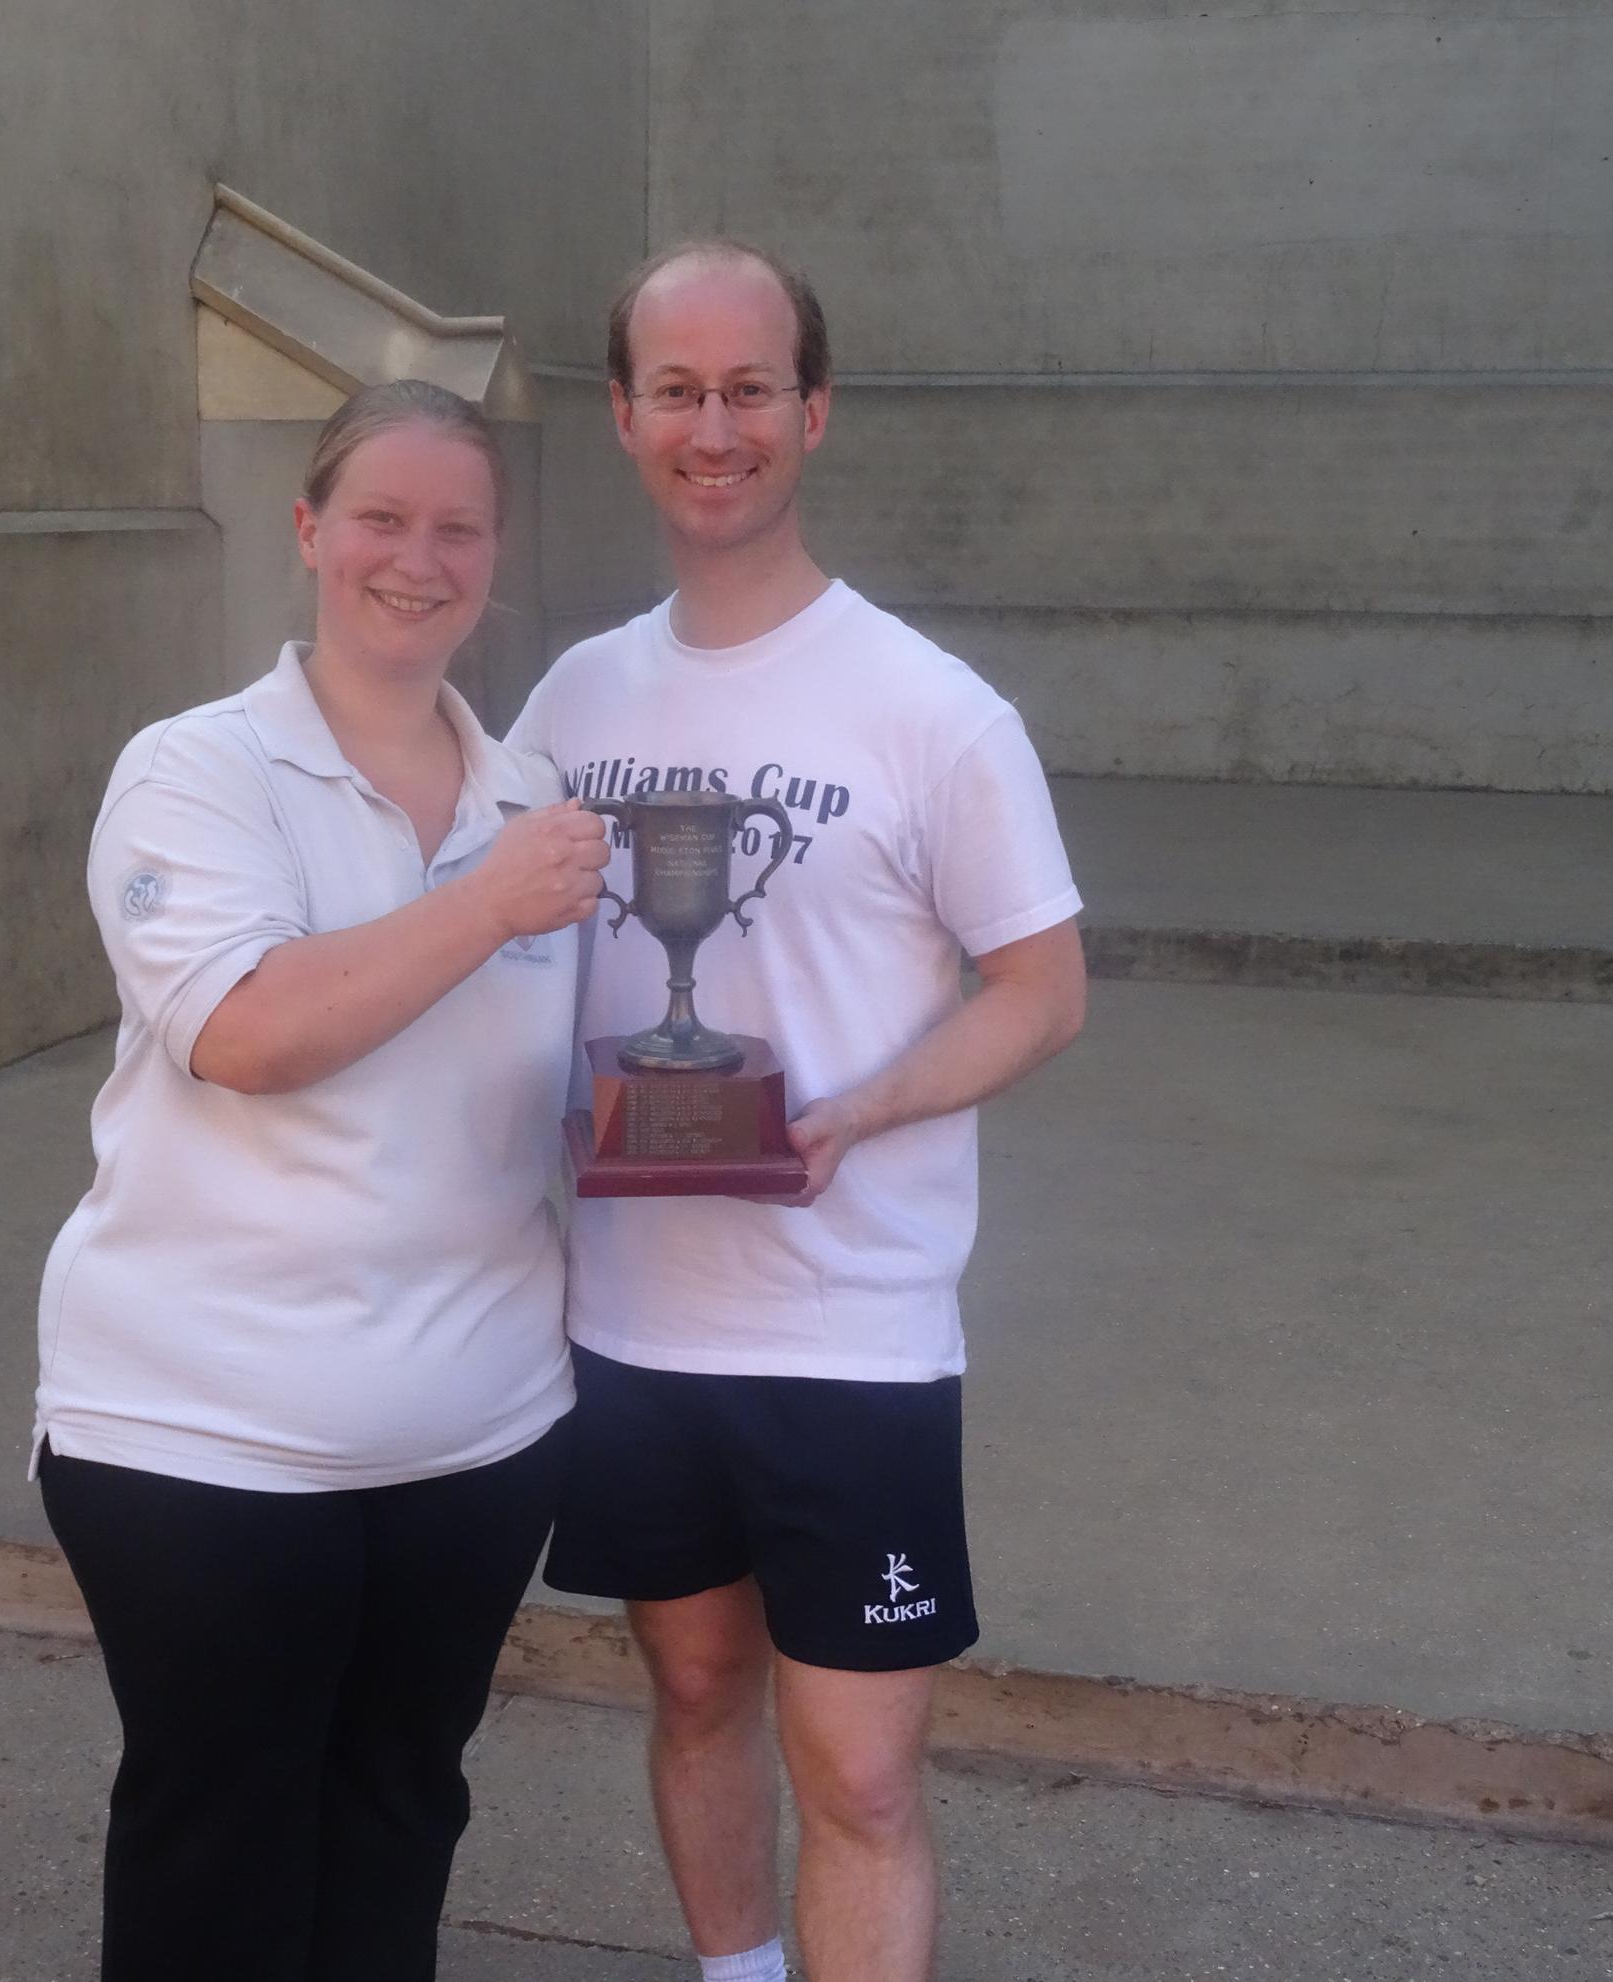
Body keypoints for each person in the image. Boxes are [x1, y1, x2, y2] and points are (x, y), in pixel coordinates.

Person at [506, 244, 1088, 1982]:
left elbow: (1045, 991)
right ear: (621, 418)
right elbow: (506, 953)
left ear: (813, 411)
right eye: (675, 390)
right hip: (631, 1323)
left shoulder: (933, 711)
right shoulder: (572, 701)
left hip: (851, 1333)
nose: (715, 426)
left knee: (858, 1766)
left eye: (749, 387)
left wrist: (851, 1111)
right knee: (692, 1691)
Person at [32, 378, 612, 1982]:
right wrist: (490, 903)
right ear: (307, 531)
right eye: (379, 517)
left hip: (476, 1432)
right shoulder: (195, 772)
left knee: (396, 1824)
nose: (415, 559)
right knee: (220, 1851)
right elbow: (248, 1028)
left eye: (457, 528)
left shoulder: (534, 804)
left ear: (495, 554)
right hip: (205, 1439)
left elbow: (555, 1093)